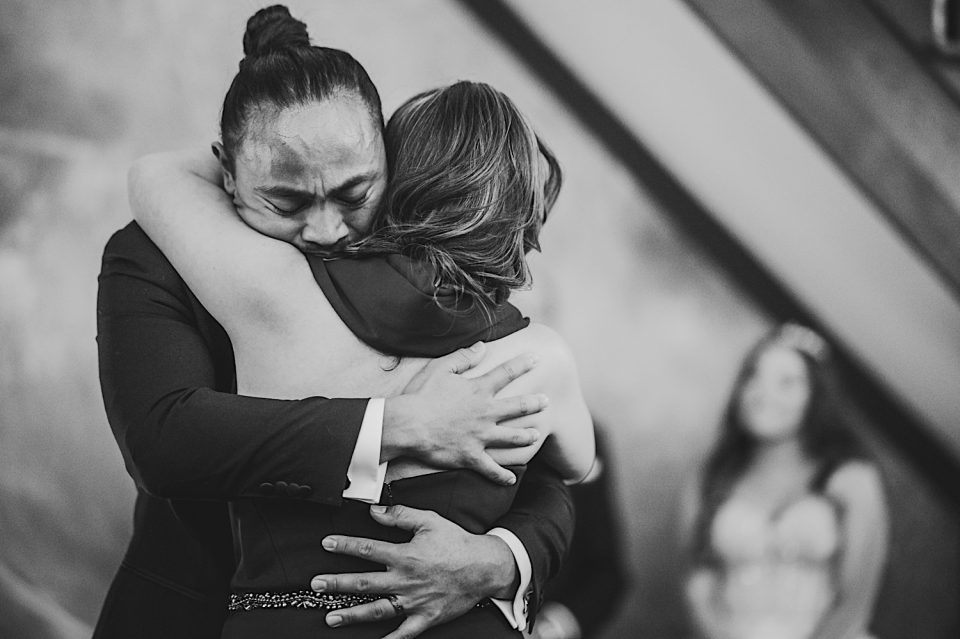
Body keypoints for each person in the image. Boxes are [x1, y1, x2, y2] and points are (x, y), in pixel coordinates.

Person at [95, 6, 577, 639]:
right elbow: (164, 440)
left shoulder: (426, 273)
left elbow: (541, 469)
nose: (326, 230)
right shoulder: (151, 254)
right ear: (228, 174)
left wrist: (500, 560)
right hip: (191, 617)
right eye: (285, 200)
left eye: (354, 194)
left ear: (389, 165)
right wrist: (399, 425)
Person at [681, 323, 889, 639]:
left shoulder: (852, 477)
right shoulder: (711, 475)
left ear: (816, 396)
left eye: (787, 382)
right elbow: (698, 590)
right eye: (754, 376)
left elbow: (855, 604)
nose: (764, 393)